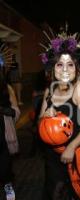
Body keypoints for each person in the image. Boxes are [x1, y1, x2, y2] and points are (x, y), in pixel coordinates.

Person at [38, 30, 80, 199]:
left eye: (70, 64)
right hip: (54, 156)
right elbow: (40, 121)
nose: (65, 69)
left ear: (76, 68)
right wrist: (46, 116)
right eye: (59, 64)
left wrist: (71, 147)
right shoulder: (49, 91)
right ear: (53, 68)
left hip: (78, 152)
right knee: (55, 192)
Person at [0, 46, 20, 200]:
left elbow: (16, 111)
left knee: (5, 170)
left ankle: (10, 195)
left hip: (2, 137)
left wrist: (6, 110)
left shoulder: (6, 88)